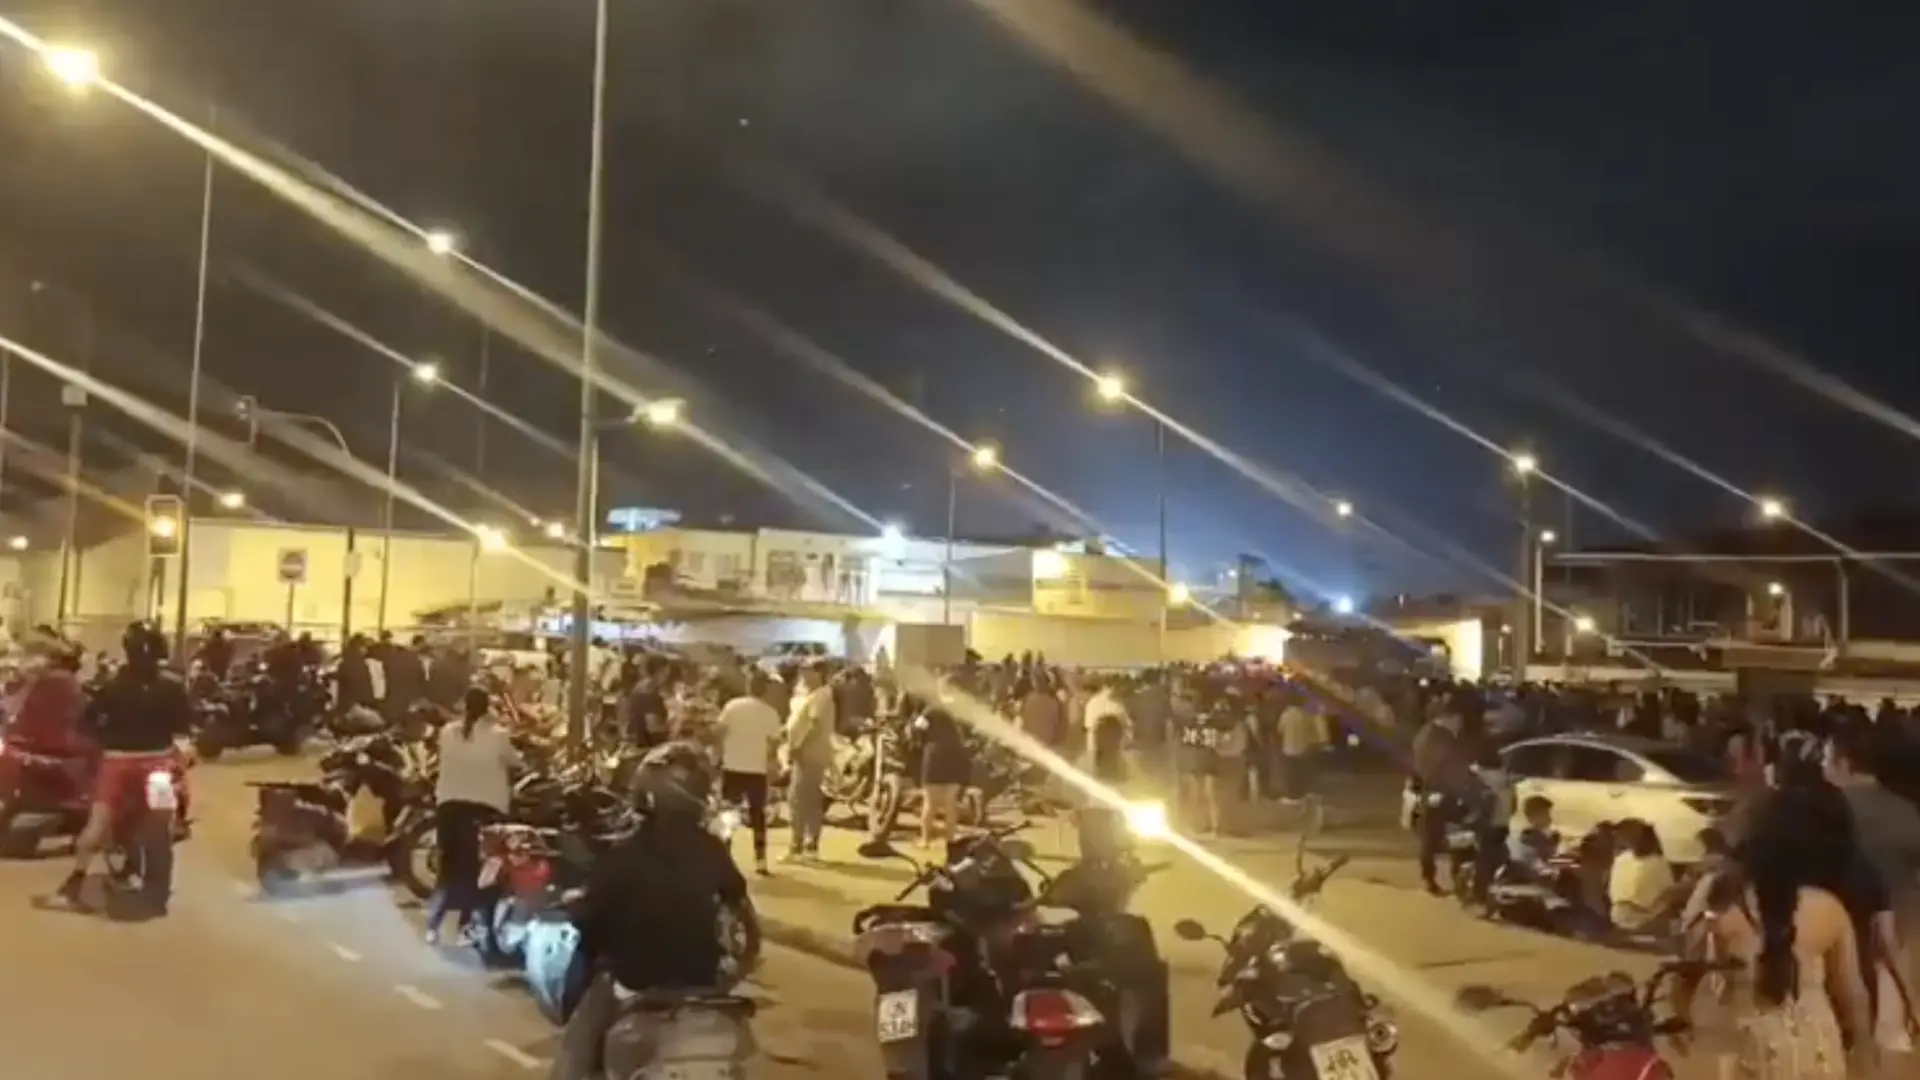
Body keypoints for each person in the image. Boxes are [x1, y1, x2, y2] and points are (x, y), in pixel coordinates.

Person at [555, 741, 752, 1080]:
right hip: (704, 988)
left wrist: (579, 911)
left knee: (574, 1054)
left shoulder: (625, 853)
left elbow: (592, 918)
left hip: (639, 985)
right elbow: (742, 911)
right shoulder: (712, 849)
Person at [1676, 779, 1876, 1079]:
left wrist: (1680, 1020)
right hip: (1817, 1054)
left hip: (1751, 1057)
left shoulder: (1722, 903)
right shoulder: (1828, 909)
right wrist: (1864, 1053)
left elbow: (1684, 977)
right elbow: (1851, 996)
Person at [56, 623, 192, 910]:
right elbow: (184, 728)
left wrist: (103, 740)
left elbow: (87, 722)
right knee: (165, 820)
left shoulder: (112, 685)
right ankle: (161, 867)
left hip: (118, 762)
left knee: (97, 824)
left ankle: (76, 878)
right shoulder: (173, 686)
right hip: (158, 762)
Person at [425, 686, 521, 945]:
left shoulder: (448, 732)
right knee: (474, 873)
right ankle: (464, 928)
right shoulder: (498, 735)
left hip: (448, 806)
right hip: (482, 809)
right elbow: (516, 761)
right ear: (487, 707)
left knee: (448, 869)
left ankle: (433, 926)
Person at [712, 672, 782, 875]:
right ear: (766, 689)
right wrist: (771, 766)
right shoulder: (771, 713)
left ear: (748, 686)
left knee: (728, 813)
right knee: (757, 814)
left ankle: (723, 856)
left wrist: (718, 756)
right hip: (757, 770)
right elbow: (773, 746)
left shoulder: (732, 707)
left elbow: (719, 733)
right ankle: (760, 860)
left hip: (732, 766)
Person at [783, 660, 834, 864]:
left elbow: (814, 726)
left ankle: (802, 845)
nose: (804, 675)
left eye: (808, 671)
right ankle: (805, 844)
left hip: (810, 754)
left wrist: (798, 746)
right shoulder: (811, 695)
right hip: (807, 753)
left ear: (819, 673)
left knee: (801, 799)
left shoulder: (821, 695)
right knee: (804, 799)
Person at [917, 679, 971, 849]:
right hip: (956, 755)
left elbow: (918, 727)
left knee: (930, 802)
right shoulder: (961, 708)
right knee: (950, 802)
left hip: (935, 754)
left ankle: (925, 840)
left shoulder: (932, 709)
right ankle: (950, 839)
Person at [1607, 819, 1676, 933]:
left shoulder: (1658, 863)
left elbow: (1667, 897)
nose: (1627, 838)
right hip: (1617, 920)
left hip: (1644, 921)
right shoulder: (1621, 860)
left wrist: (1651, 917)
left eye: (1631, 834)